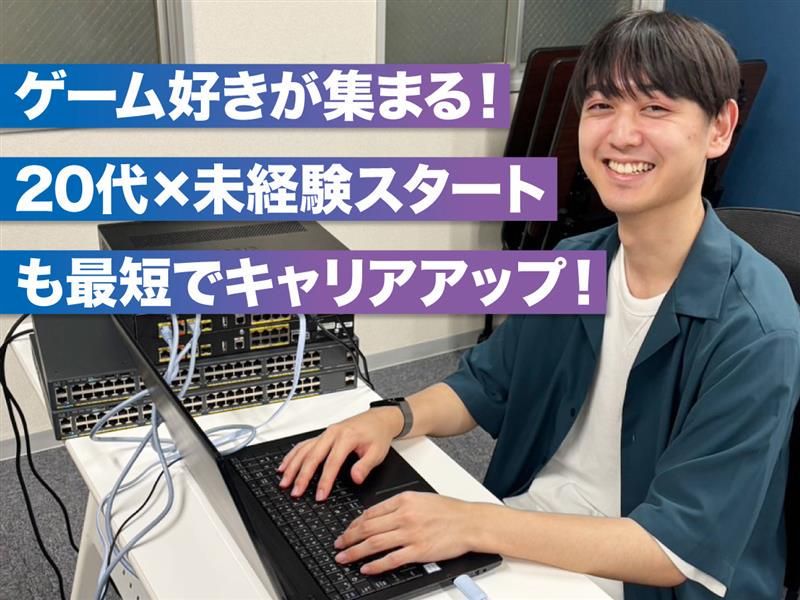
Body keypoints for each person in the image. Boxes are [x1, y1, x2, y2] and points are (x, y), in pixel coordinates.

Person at [278, 10, 800, 600]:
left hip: (645, 580)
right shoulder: (574, 261)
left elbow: (673, 548)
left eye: (655, 107)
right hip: (532, 535)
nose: (621, 134)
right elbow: (484, 385)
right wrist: (389, 417)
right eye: (602, 105)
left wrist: (469, 523)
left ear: (719, 128)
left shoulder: (755, 329)